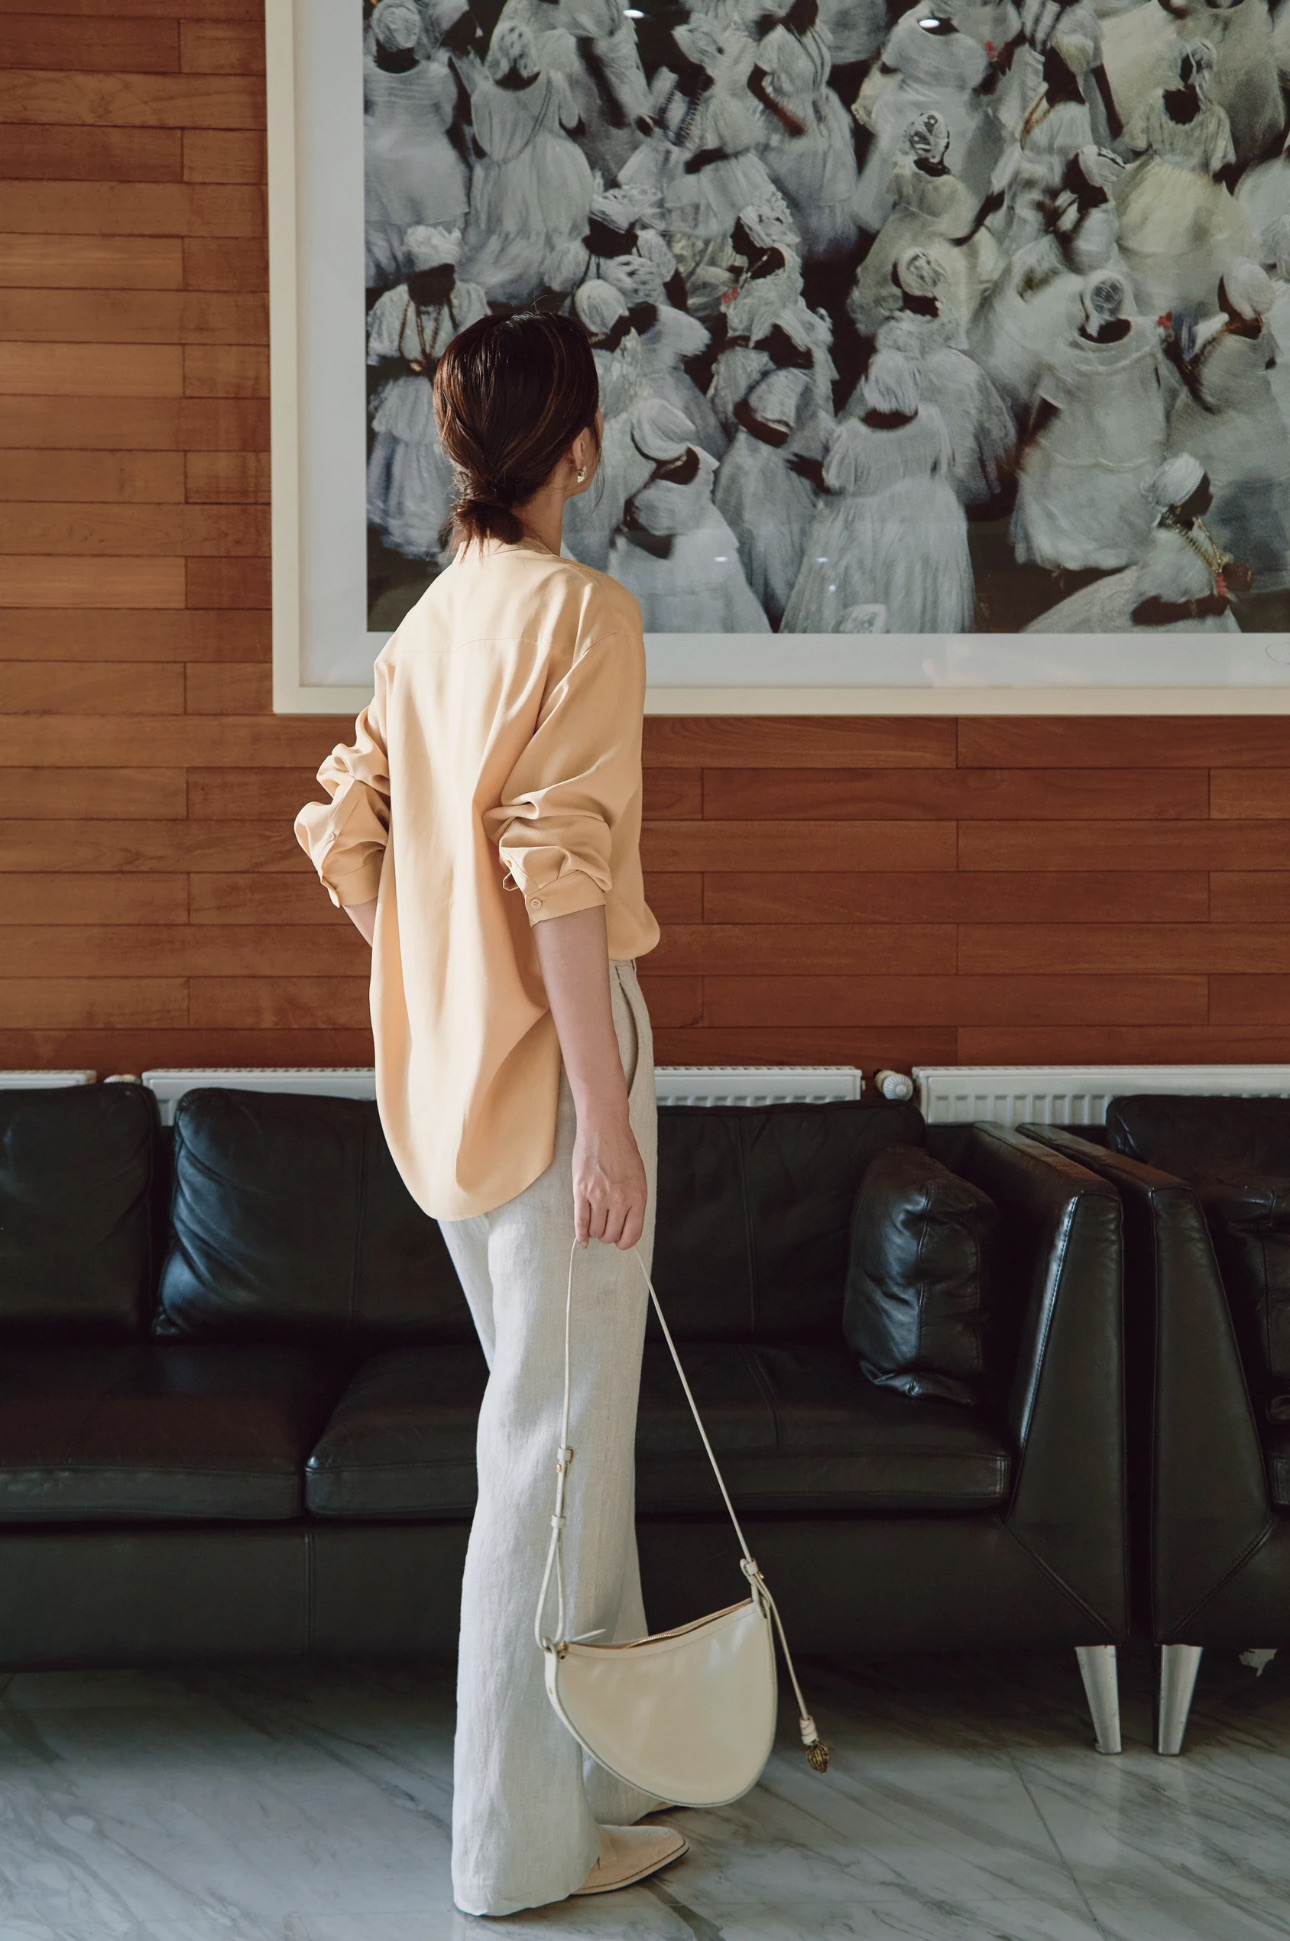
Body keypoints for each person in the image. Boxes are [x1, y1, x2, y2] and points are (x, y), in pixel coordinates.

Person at [296, 312, 686, 1917]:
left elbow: (347, 833)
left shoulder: (428, 623)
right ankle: (515, 1850)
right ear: (577, 449)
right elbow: (560, 875)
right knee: (544, 1451)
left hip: (453, 1069)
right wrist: (605, 1120)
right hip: (558, 1071)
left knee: (567, 1431)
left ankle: (611, 1771)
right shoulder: (584, 614)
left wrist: (431, 963)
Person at [782, 349, 974, 630]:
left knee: (869, 583)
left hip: (870, 525)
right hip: (927, 513)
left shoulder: (852, 434)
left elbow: (836, 484)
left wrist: (813, 471)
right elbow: (943, 462)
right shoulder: (932, 417)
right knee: (914, 582)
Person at [1011, 268, 1167, 570]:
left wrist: (1031, 438)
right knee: (1124, 488)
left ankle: (1085, 551)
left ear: (1086, 303)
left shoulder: (1070, 349)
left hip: (1083, 432)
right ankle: (1122, 548)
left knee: (1082, 489)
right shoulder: (1145, 333)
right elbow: (1155, 381)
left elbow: (1051, 403)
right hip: (1131, 431)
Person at [365, 225, 489, 563]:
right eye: (430, 279)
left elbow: (481, 350)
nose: (440, 287)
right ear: (415, 278)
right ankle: (419, 533)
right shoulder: (394, 303)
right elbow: (378, 359)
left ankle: (459, 532)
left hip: (455, 392)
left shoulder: (468, 297)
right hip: (409, 398)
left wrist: (446, 367)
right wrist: (414, 367)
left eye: (446, 277)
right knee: (411, 460)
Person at [1166, 257, 1290, 587]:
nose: (1219, 291)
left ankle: (1216, 563)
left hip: (1222, 429)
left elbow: (1208, 398)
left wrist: (1177, 356)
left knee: (1215, 494)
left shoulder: (1232, 346)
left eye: (1223, 287)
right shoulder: (1256, 324)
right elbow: (1269, 358)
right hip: (1255, 413)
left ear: (1234, 297)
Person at [1025, 450, 1250, 626]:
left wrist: (1227, 569)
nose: (1211, 495)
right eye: (1204, 492)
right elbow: (1143, 613)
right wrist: (1200, 607)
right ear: (1181, 504)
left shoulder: (1190, 523)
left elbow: (1203, 555)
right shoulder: (1165, 548)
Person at [1115, 40, 1251, 319]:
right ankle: (1176, 314)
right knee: (1188, 253)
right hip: (1195, 187)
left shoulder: (1155, 100)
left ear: (1181, 69)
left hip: (1151, 179)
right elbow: (1220, 168)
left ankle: (1148, 309)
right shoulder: (1215, 117)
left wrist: (1163, 151)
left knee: (1145, 241)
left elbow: (1137, 143)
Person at [609, 398, 772, 629]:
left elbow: (663, 548)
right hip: (706, 538)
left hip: (676, 560)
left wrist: (626, 531)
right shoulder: (693, 454)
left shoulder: (660, 494)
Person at [364, 0, 471, 291]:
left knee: (383, 230)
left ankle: (390, 282)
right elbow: (446, 120)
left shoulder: (365, 72)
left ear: (379, 36)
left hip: (379, 165)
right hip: (429, 167)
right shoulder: (437, 76)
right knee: (433, 229)